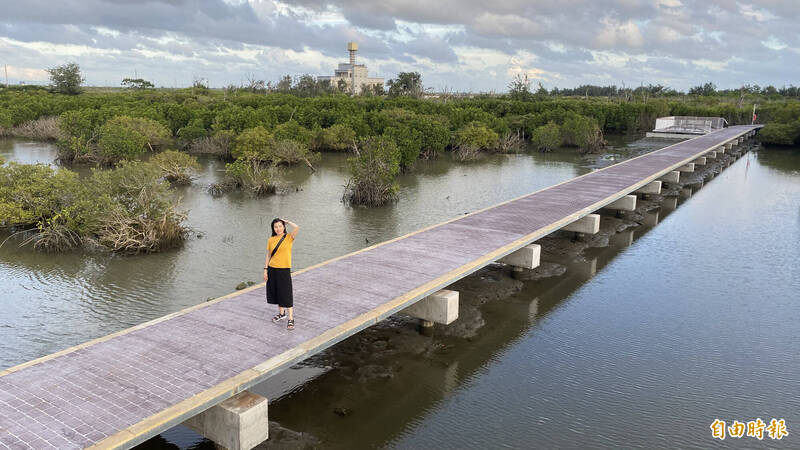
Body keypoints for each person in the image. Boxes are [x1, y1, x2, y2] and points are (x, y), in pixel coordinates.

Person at [264, 218, 299, 330]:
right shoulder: (271, 240)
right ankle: (281, 314)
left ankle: (290, 318)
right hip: (272, 269)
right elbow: (268, 256)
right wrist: (265, 269)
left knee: (286, 293)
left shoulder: (289, 237)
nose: (278, 228)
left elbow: (297, 227)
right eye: (276, 227)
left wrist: (288, 222)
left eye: (280, 226)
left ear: (283, 227)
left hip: (284, 270)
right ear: (273, 228)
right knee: (277, 292)